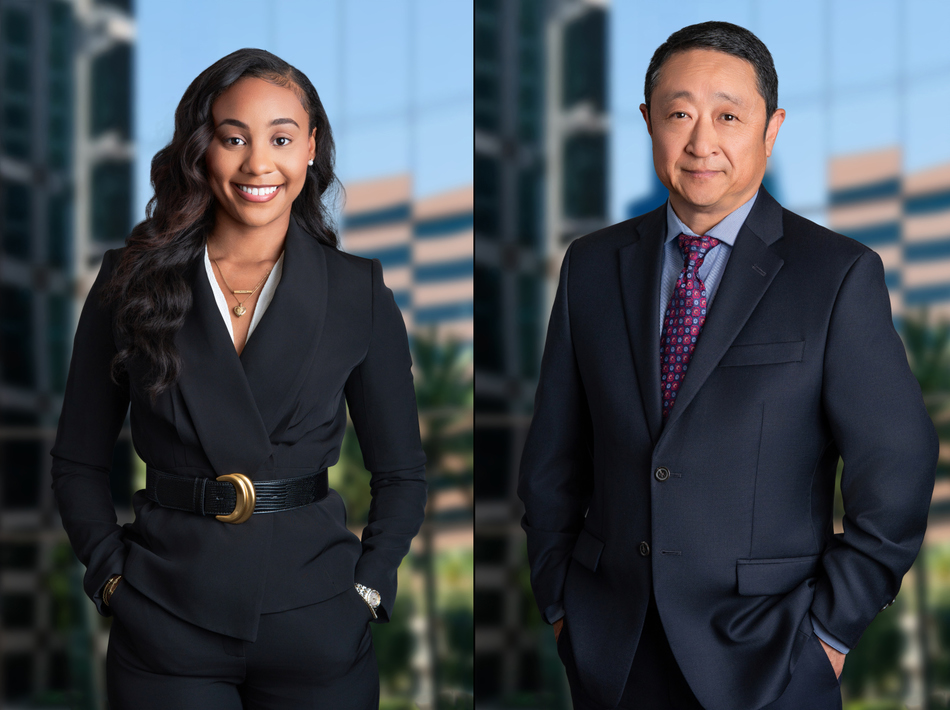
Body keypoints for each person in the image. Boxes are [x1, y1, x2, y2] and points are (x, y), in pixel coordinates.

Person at [518, 21, 937, 710]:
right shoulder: (592, 266)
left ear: (770, 130)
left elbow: (898, 468)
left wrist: (827, 636)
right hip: (611, 651)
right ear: (649, 122)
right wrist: (563, 605)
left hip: (771, 658)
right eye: (679, 114)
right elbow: (553, 459)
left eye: (728, 116)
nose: (701, 141)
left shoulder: (835, 274)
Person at [49, 48, 427, 709]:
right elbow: (77, 462)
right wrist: (111, 579)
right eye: (233, 138)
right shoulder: (128, 281)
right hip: (166, 619)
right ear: (202, 150)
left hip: (318, 620)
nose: (258, 163)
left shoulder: (358, 292)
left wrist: (366, 588)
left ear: (310, 148)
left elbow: (402, 473)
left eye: (281, 137)